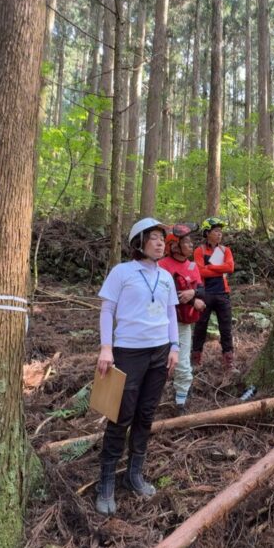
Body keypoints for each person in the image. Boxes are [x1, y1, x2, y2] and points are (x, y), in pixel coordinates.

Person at [94, 218, 180, 516]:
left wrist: (175, 346)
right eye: (154, 238)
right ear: (139, 242)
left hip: (159, 353)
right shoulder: (123, 272)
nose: (160, 243)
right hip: (128, 351)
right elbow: (108, 309)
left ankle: (134, 475)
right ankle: (105, 480)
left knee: (146, 414)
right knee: (121, 415)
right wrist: (106, 348)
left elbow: (170, 312)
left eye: (162, 238)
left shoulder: (167, 276)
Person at [159, 223, 206, 409]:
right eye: (186, 242)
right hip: (162, 322)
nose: (191, 245)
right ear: (174, 245)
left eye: (191, 241)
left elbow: (201, 289)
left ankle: (180, 402)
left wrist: (193, 295)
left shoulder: (192, 265)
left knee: (183, 360)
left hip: (184, 322)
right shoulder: (162, 266)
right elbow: (165, 293)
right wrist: (192, 300)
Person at [192, 216, 235, 369]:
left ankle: (228, 360)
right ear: (207, 233)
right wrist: (216, 268)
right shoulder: (199, 251)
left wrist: (209, 268)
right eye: (216, 231)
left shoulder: (225, 250)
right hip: (205, 294)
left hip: (223, 293)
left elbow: (230, 268)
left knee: (226, 328)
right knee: (200, 326)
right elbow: (200, 272)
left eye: (220, 231)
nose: (219, 234)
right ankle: (196, 358)